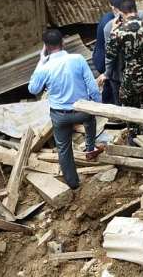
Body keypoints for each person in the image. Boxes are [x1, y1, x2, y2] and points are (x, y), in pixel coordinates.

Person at [28, 29, 104, 189]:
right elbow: (92, 87)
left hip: (60, 116)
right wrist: (98, 105)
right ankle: (90, 147)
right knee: (90, 118)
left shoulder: (45, 68)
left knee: (63, 148)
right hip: (82, 111)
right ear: (63, 43)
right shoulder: (78, 59)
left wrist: (40, 62)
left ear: (46, 47)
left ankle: (73, 183)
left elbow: (33, 89)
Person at [100, 0, 143, 136]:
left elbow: (110, 54)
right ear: (135, 9)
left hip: (133, 76)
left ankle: (133, 137)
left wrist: (113, 32)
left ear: (121, 12)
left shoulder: (120, 31)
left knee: (130, 108)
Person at [92, 0, 124, 105]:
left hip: (99, 55)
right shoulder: (110, 23)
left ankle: (108, 104)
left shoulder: (108, 17)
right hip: (104, 59)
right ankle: (111, 108)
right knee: (111, 84)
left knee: (109, 85)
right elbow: (111, 49)